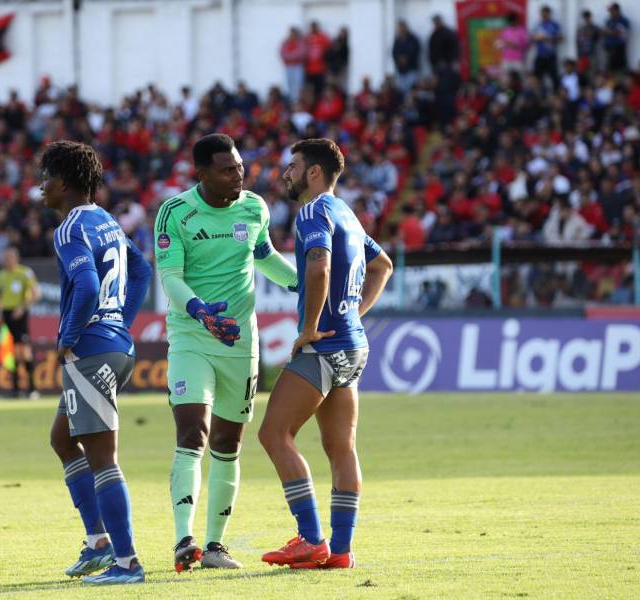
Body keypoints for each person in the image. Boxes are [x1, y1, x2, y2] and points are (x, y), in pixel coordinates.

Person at [153, 133, 297, 572]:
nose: (238, 174)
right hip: (192, 338)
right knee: (192, 430)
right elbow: (171, 278)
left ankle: (216, 547)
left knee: (228, 443)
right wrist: (199, 311)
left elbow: (264, 256)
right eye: (227, 169)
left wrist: (304, 285)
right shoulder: (175, 213)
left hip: (240, 343)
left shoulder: (254, 207)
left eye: (239, 166)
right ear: (202, 174)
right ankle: (184, 540)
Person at [258, 138, 393, 569]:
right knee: (341, 448)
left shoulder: (314, 212)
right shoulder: (347, 214)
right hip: (354, 345)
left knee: (273, 435)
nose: (286, 173)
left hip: (324, 345)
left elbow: (318, 266)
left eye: (293, 166)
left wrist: (311, 326)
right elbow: (383, 265)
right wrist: (354, 310)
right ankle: (341, 550)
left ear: (314, 171)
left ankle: (312, 538)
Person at [42, 140, 152, 585]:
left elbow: (86, 284)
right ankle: (98, 542)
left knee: (104, 459)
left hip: (89, 351)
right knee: (63, 439)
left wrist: (67, 337)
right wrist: (119, 323)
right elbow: (141, 270)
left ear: (64, 182)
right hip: (115, 347)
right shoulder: (106, 220)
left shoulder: (69, 228)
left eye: (45, 178)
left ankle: (127, 563)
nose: (40, 188)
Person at [0, 246, 42, 399]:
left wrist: (22, 308)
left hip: (19, 314)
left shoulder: (25, 273)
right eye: (4, 258)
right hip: (6, 315)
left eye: (8, 257)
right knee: (10, 352)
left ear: (15, 258)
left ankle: (32, 389)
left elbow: (36, 294)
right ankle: (14, 390)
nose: (5, 261)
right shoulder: (0, 276)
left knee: (24, 351)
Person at [531, 5, 562, 90]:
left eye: (545, 14)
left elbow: (560, 38)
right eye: (542, 14)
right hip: (540, 55)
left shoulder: (554, 25)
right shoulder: (538, 25)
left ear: (549, 14)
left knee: (554, 77)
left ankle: (556, 97)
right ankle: (537, 96)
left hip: (551, 55)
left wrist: (547, 37)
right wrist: (537, 38)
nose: (543, 16)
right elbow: (532, 37)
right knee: (537, 77)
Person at [392, 20, 421, 93]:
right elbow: (394, 52)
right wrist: (399, 60)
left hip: (411, 69)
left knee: (411, 89)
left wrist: (407, 59)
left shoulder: (413, 39)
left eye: (402, 27)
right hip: (401, 70)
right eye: (399, 28)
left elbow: (415, 51)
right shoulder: (397, 40)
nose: (401, 30)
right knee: (401, 90)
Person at [305, 21, 332, 98]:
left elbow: (329, 49)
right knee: (310, 89)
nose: (313, 29)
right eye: (312, 27)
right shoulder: (307, 38)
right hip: (309, 69)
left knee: (320, 89)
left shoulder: (323, 37)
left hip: (320, 69)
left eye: (315, 27)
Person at [281, 27, 307, 103]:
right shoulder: (286, 42)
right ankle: (291, 101)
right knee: (289, 84)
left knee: (298, 85)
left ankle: (298, 101)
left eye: (294, 33)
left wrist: (290, 56)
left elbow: (301, 53)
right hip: (288, 66)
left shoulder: (300, 42)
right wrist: (292, 56)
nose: (292, 35)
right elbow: (282, 53)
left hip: (297, 66)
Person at [603, 3, 630, 74]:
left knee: (620, 70)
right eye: (610, 11)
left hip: (619, 49)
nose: (610, 13)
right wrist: (610, 32)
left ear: (617, 10)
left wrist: (610, 32)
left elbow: (620, 33)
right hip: (609, 49)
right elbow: (604, 33)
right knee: (609, 70)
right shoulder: (609, 21)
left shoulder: (623, 20)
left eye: (612, 10)